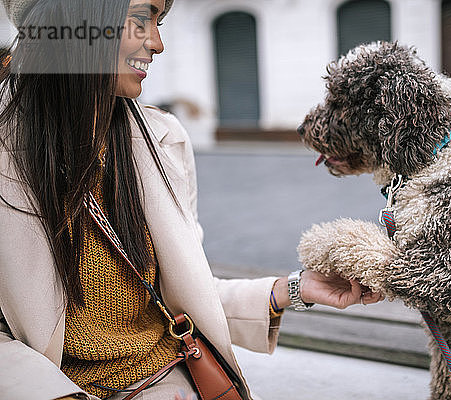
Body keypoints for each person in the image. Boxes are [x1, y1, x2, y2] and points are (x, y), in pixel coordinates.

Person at [0, 0, 384, 399]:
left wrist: (295, 288)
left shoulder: (164, 139)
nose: (157, 43)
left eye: (158, 21)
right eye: (138, 19)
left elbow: (186, 294)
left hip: (167, 380)